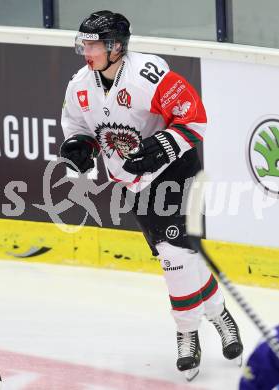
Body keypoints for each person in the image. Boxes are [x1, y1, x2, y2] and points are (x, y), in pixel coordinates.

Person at [60, 10, 243, 380]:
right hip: (135, 184)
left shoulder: (149, 76)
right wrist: (79, 150)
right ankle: (218, 312)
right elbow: (77, 128)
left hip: (176, 173)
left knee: (174, 257)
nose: (86, 50)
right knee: (178, 255)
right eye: (84, 42)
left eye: (93, 43)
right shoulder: (80, 85)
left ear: (115, 47)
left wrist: (162, 144)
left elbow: (194, 117)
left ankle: (186, 332)